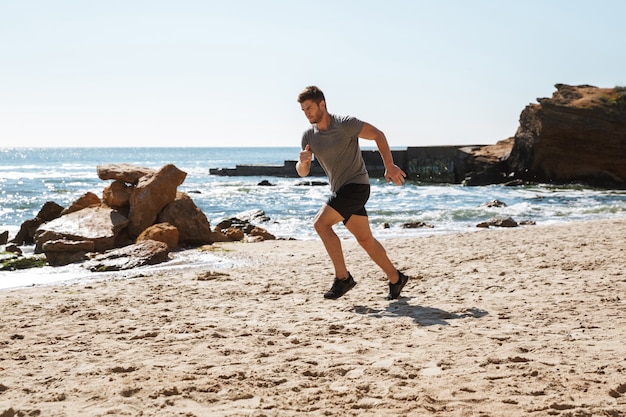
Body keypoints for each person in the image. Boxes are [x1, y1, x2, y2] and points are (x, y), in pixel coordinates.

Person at [296, 85, 409, 300]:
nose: (307, 113)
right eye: (303, 110)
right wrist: (303, 163)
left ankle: (343, 278)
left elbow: (378, 135)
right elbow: (303, 173)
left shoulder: (345, 124)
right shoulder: (309, 136)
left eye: (309, 108)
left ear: (322, 104)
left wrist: (390, 165)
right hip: (342, 190)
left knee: (321, 224)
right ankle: (396, 278)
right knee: (366, 240)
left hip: (356, 186)